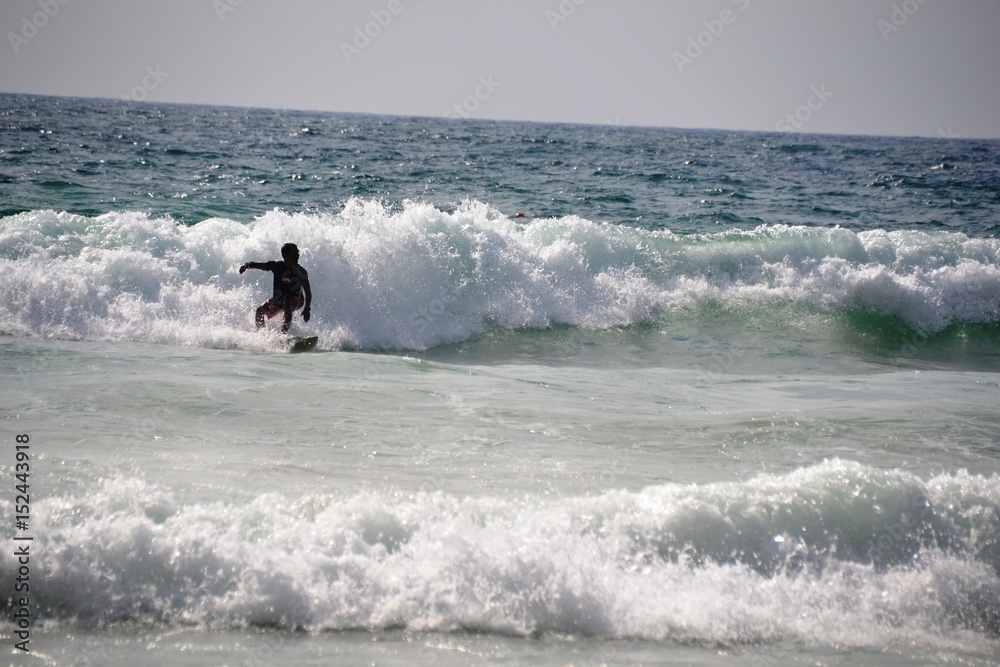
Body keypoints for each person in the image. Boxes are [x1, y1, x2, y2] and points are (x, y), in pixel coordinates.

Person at [239, 243, 312, 333]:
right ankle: (262, 334)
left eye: (298, 252)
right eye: (294, 252)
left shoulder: (301, 272)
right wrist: (247, 266)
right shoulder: (277, 266)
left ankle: (283, 334)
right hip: (279, 299)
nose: (298, 255)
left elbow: (308, 292)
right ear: (285, 255)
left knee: (287, 304)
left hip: (297, 300)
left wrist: (307, 308)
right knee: (260, 311)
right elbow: (260, 265)